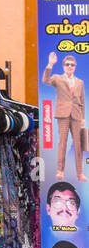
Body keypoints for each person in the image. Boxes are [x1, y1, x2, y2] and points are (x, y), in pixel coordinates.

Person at [44, 51, 86, 182]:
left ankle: (79, 173)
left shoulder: (80, 82)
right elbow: (45, 80)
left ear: (75, 67)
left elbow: (82, 101)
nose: (69, 66)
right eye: (67, 64)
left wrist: (83, 117)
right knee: (62, 142)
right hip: (63, 114)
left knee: (78, 144)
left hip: (76, 115)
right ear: (63, 66)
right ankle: (60, 170)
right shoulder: (58, 78)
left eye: (72, 65)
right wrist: (50, 65)